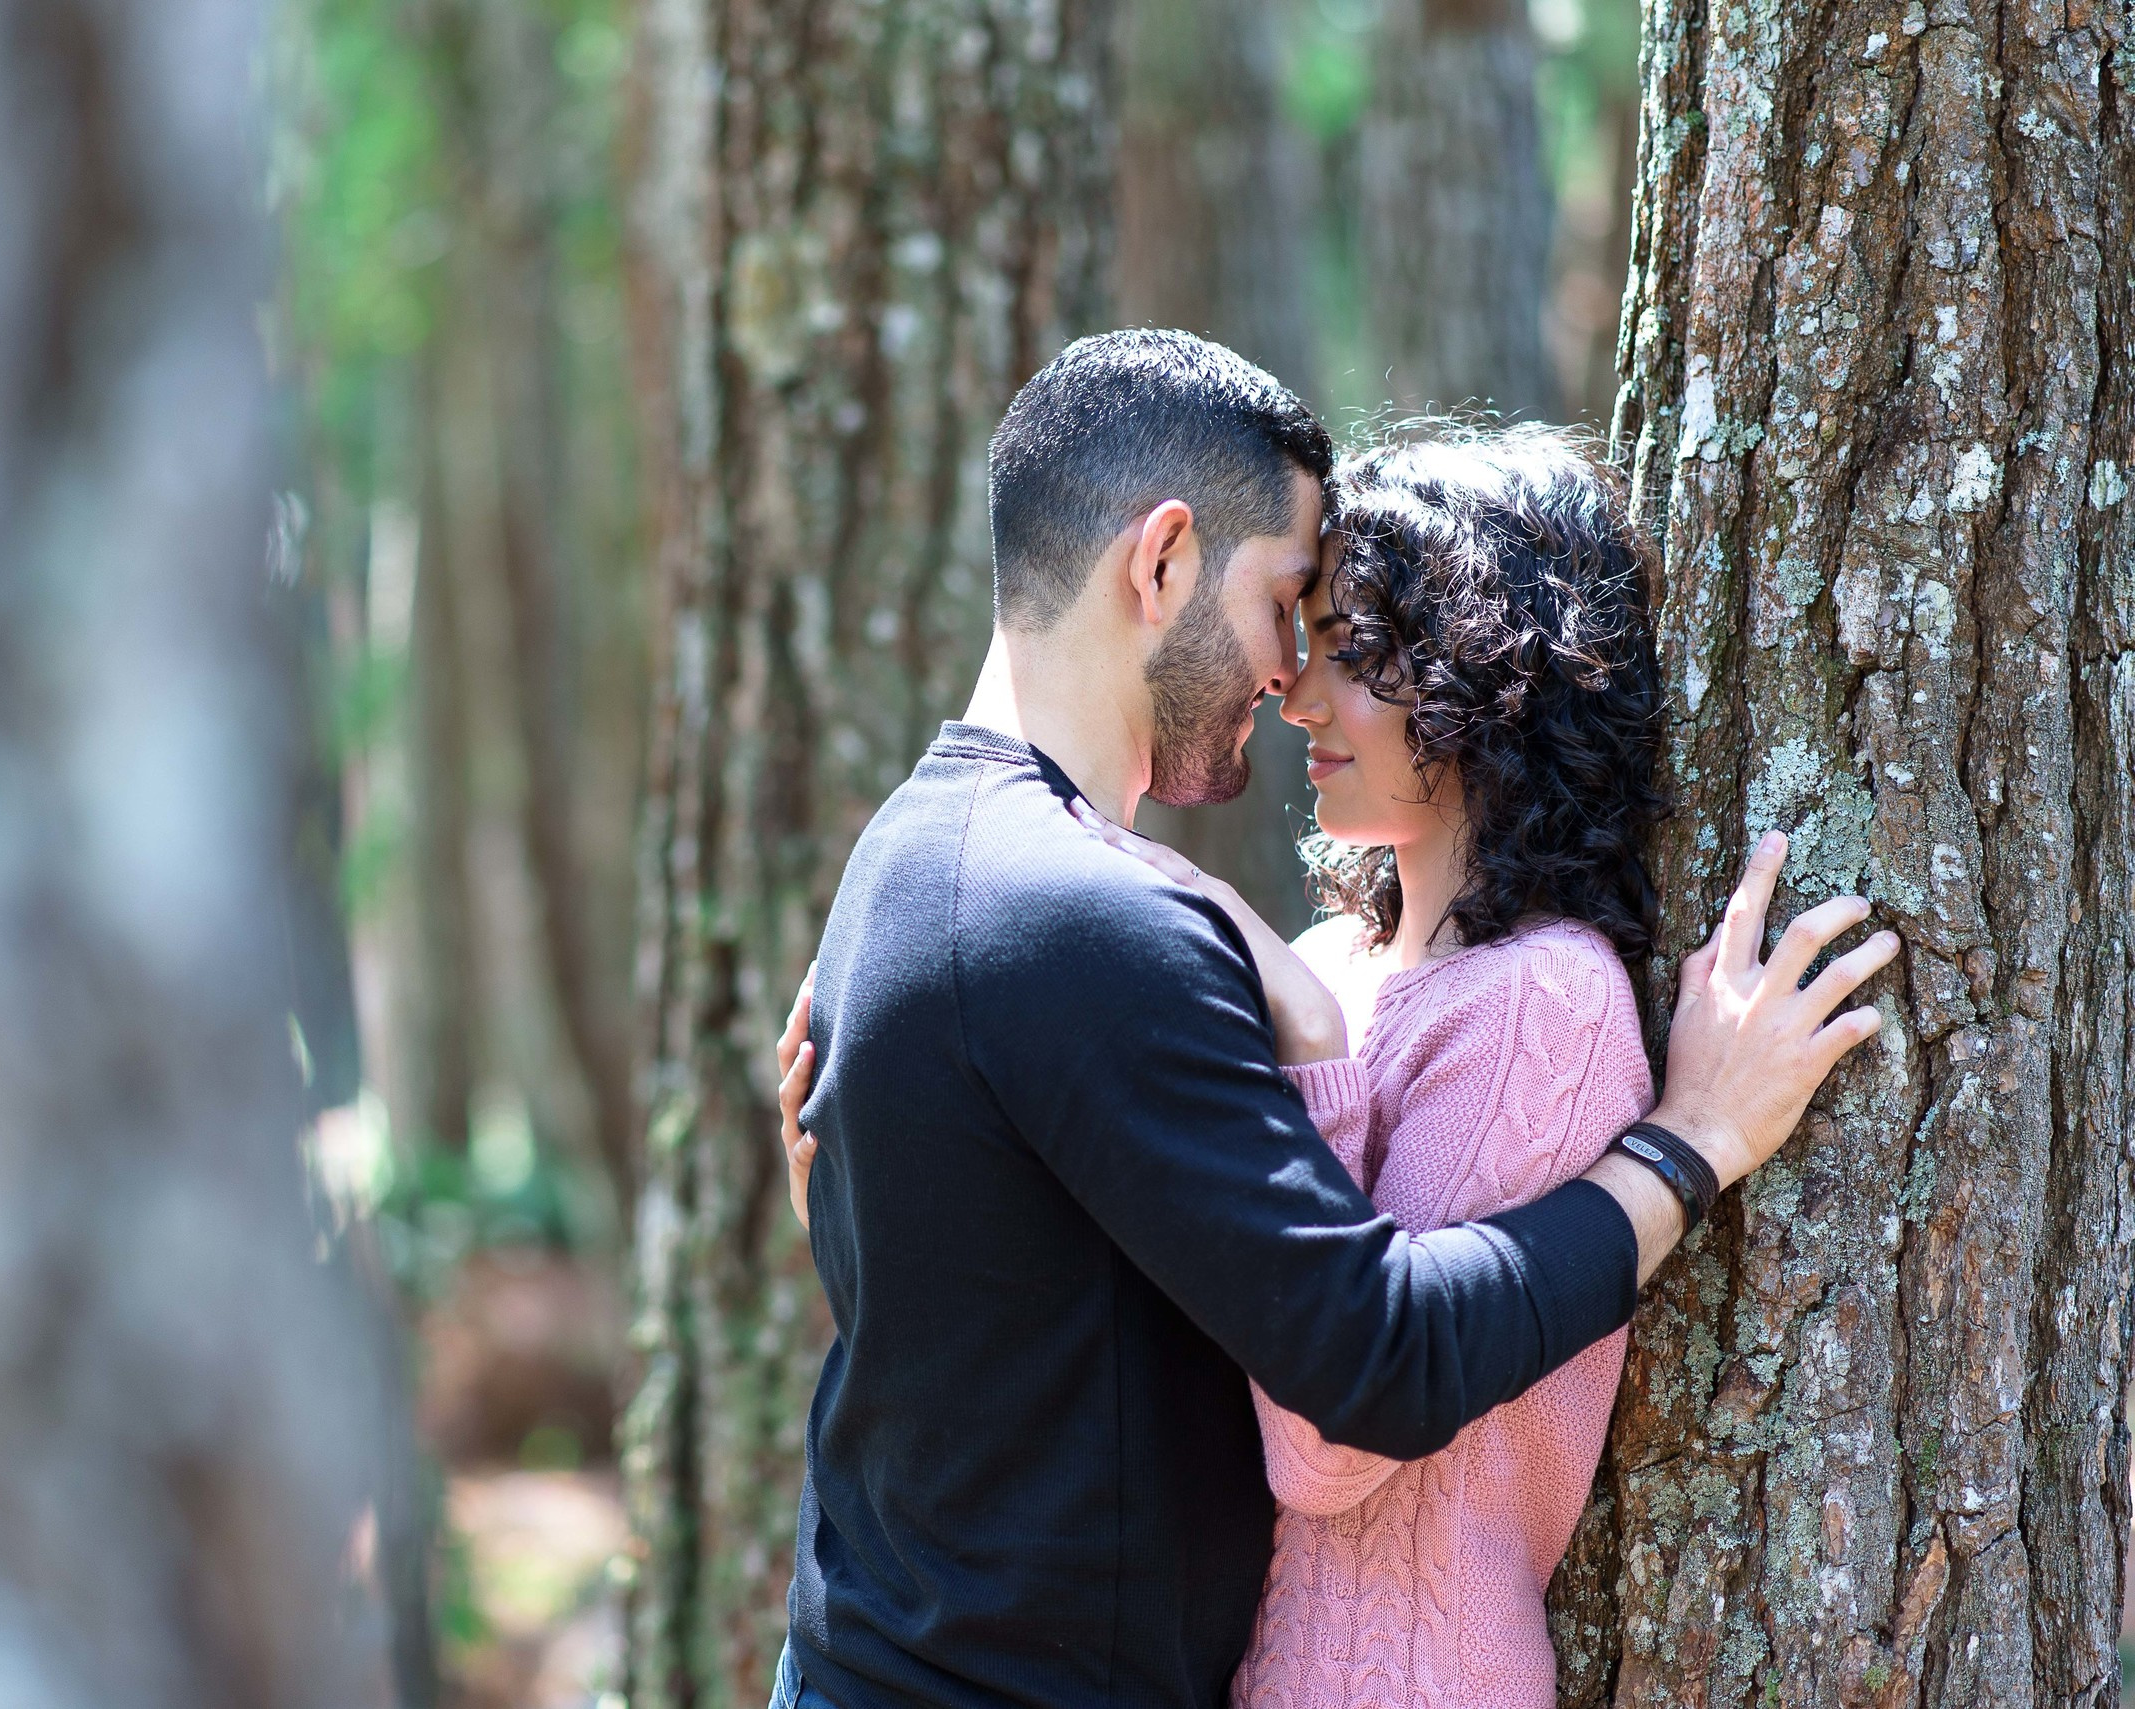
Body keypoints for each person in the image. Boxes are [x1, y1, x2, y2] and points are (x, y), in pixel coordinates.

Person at [762, 329, 1897, 1709]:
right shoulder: (1087, 916)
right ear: (1162, 563)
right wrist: (1691, 1142)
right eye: (1284, 604)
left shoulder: (912, 850)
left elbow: (1067, 1271)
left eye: (1339, 638)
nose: (1286, 675)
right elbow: (1367, 1362)